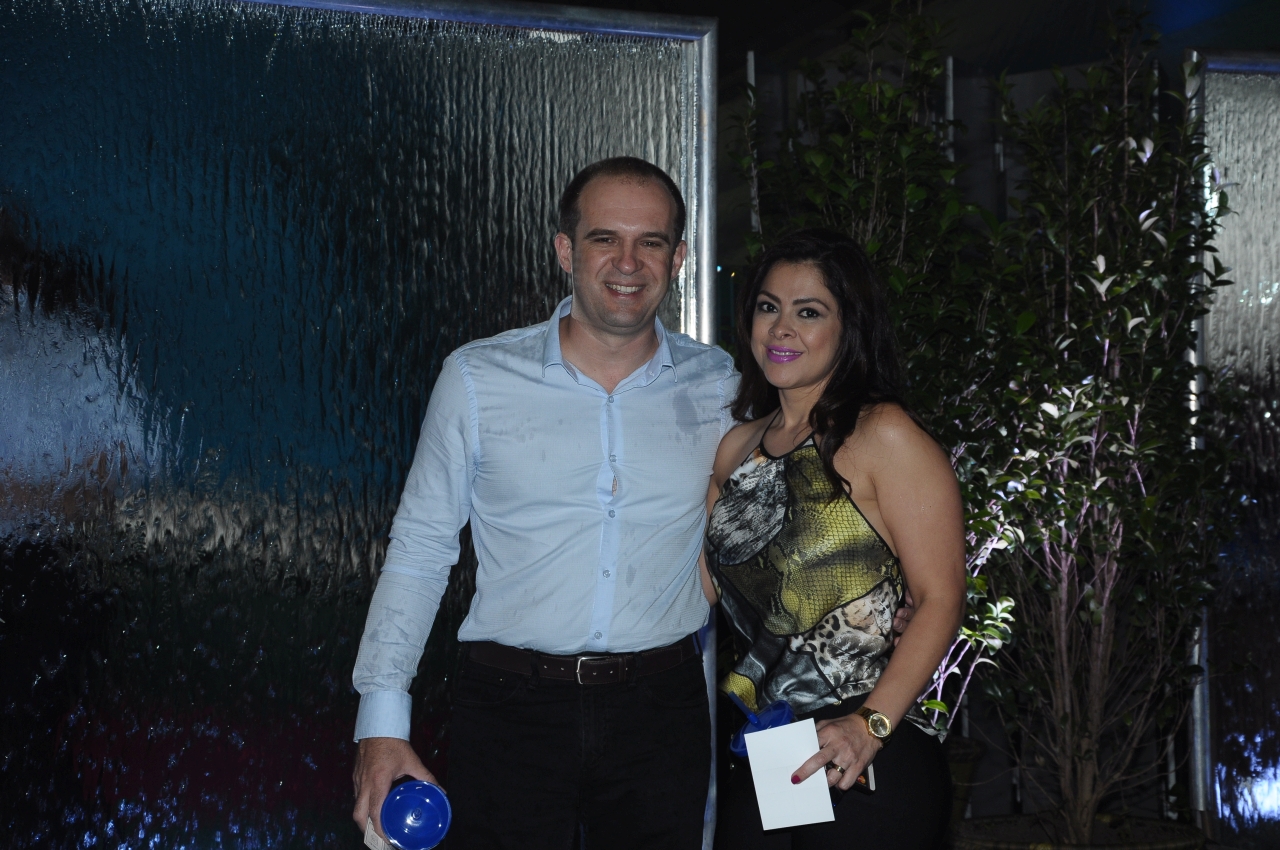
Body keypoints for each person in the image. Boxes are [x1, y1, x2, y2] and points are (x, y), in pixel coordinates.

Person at [349, 156, 739, 850]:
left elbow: (779, 519)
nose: (628, 262)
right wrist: (381, 726)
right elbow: (419, 550)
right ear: (565, 250)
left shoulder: (720, 385)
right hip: (509, 711)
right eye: (603, 239)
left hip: (662, 710)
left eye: (650, 242)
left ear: (678, 258)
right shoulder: (477, 378)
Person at [705, 229, 965, 849]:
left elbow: (941, 598)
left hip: (868, 740)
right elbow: (701, 592)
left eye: (809, 312)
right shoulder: (737, 448)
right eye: (768, 306)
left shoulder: (882, 434)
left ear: (849, 328)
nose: (781, 328)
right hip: (771, 742)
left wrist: (869, 725)